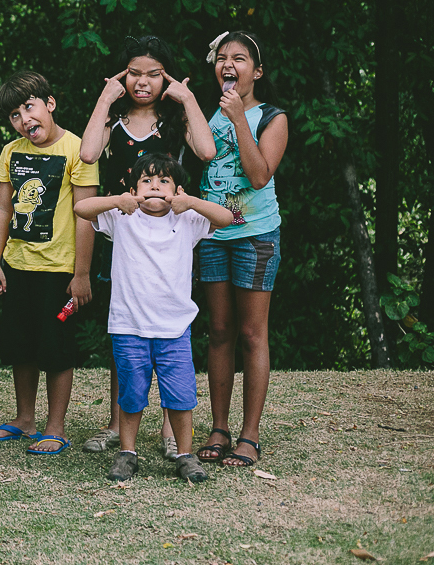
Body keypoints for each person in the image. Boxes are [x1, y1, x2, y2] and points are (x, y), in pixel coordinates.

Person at [77, 36, 215, 459]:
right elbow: (87, 154)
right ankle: (119, 425)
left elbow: (206, 151)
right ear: (122, 75)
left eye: (154, 74)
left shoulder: (175, 121)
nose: (142, 81)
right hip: (124, 235)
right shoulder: (113, 119)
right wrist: (105, 97)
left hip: (170, 241)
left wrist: (187, 96)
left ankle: (170, 431)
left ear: (166, 77)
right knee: (127, 331)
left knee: (164, 329)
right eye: (133, 72)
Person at [75, 154, 234, 482]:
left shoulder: (188, 219)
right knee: (132, 393)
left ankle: (186, 456)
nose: (155, 187)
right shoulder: (122, 217)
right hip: (128, 325)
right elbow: (82, 209)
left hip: (175, 328)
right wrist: (119, 201)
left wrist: (189, 202)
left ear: (176, 190)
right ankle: (127, 453)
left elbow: (226, 217)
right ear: (134, 189)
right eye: (147, 181)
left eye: (164, 181)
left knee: (180, 394)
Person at [0, 71, 98, 454]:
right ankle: (24, 418)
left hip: (60, 271)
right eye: (14, 114)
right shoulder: (11, 152)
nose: (24, 119)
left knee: (56, 348)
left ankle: (56, 425)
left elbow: (86, 215)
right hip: (17, 265)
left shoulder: (78, 150)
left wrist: (81, 274)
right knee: (21, 345)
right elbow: (2, 208)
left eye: (29, 107)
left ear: (50, 103)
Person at [195, 31, 287, 468]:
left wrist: (237, 120)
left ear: (257, 71)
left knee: (251, 334)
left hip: (256, 235)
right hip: (212, 235)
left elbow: (258, 176)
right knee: (218, 330)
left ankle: (249, 434)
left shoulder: (272, 117)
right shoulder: (206, 113)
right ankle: (218, 427)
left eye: (241, 58)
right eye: (222, 58)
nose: (229, 65)